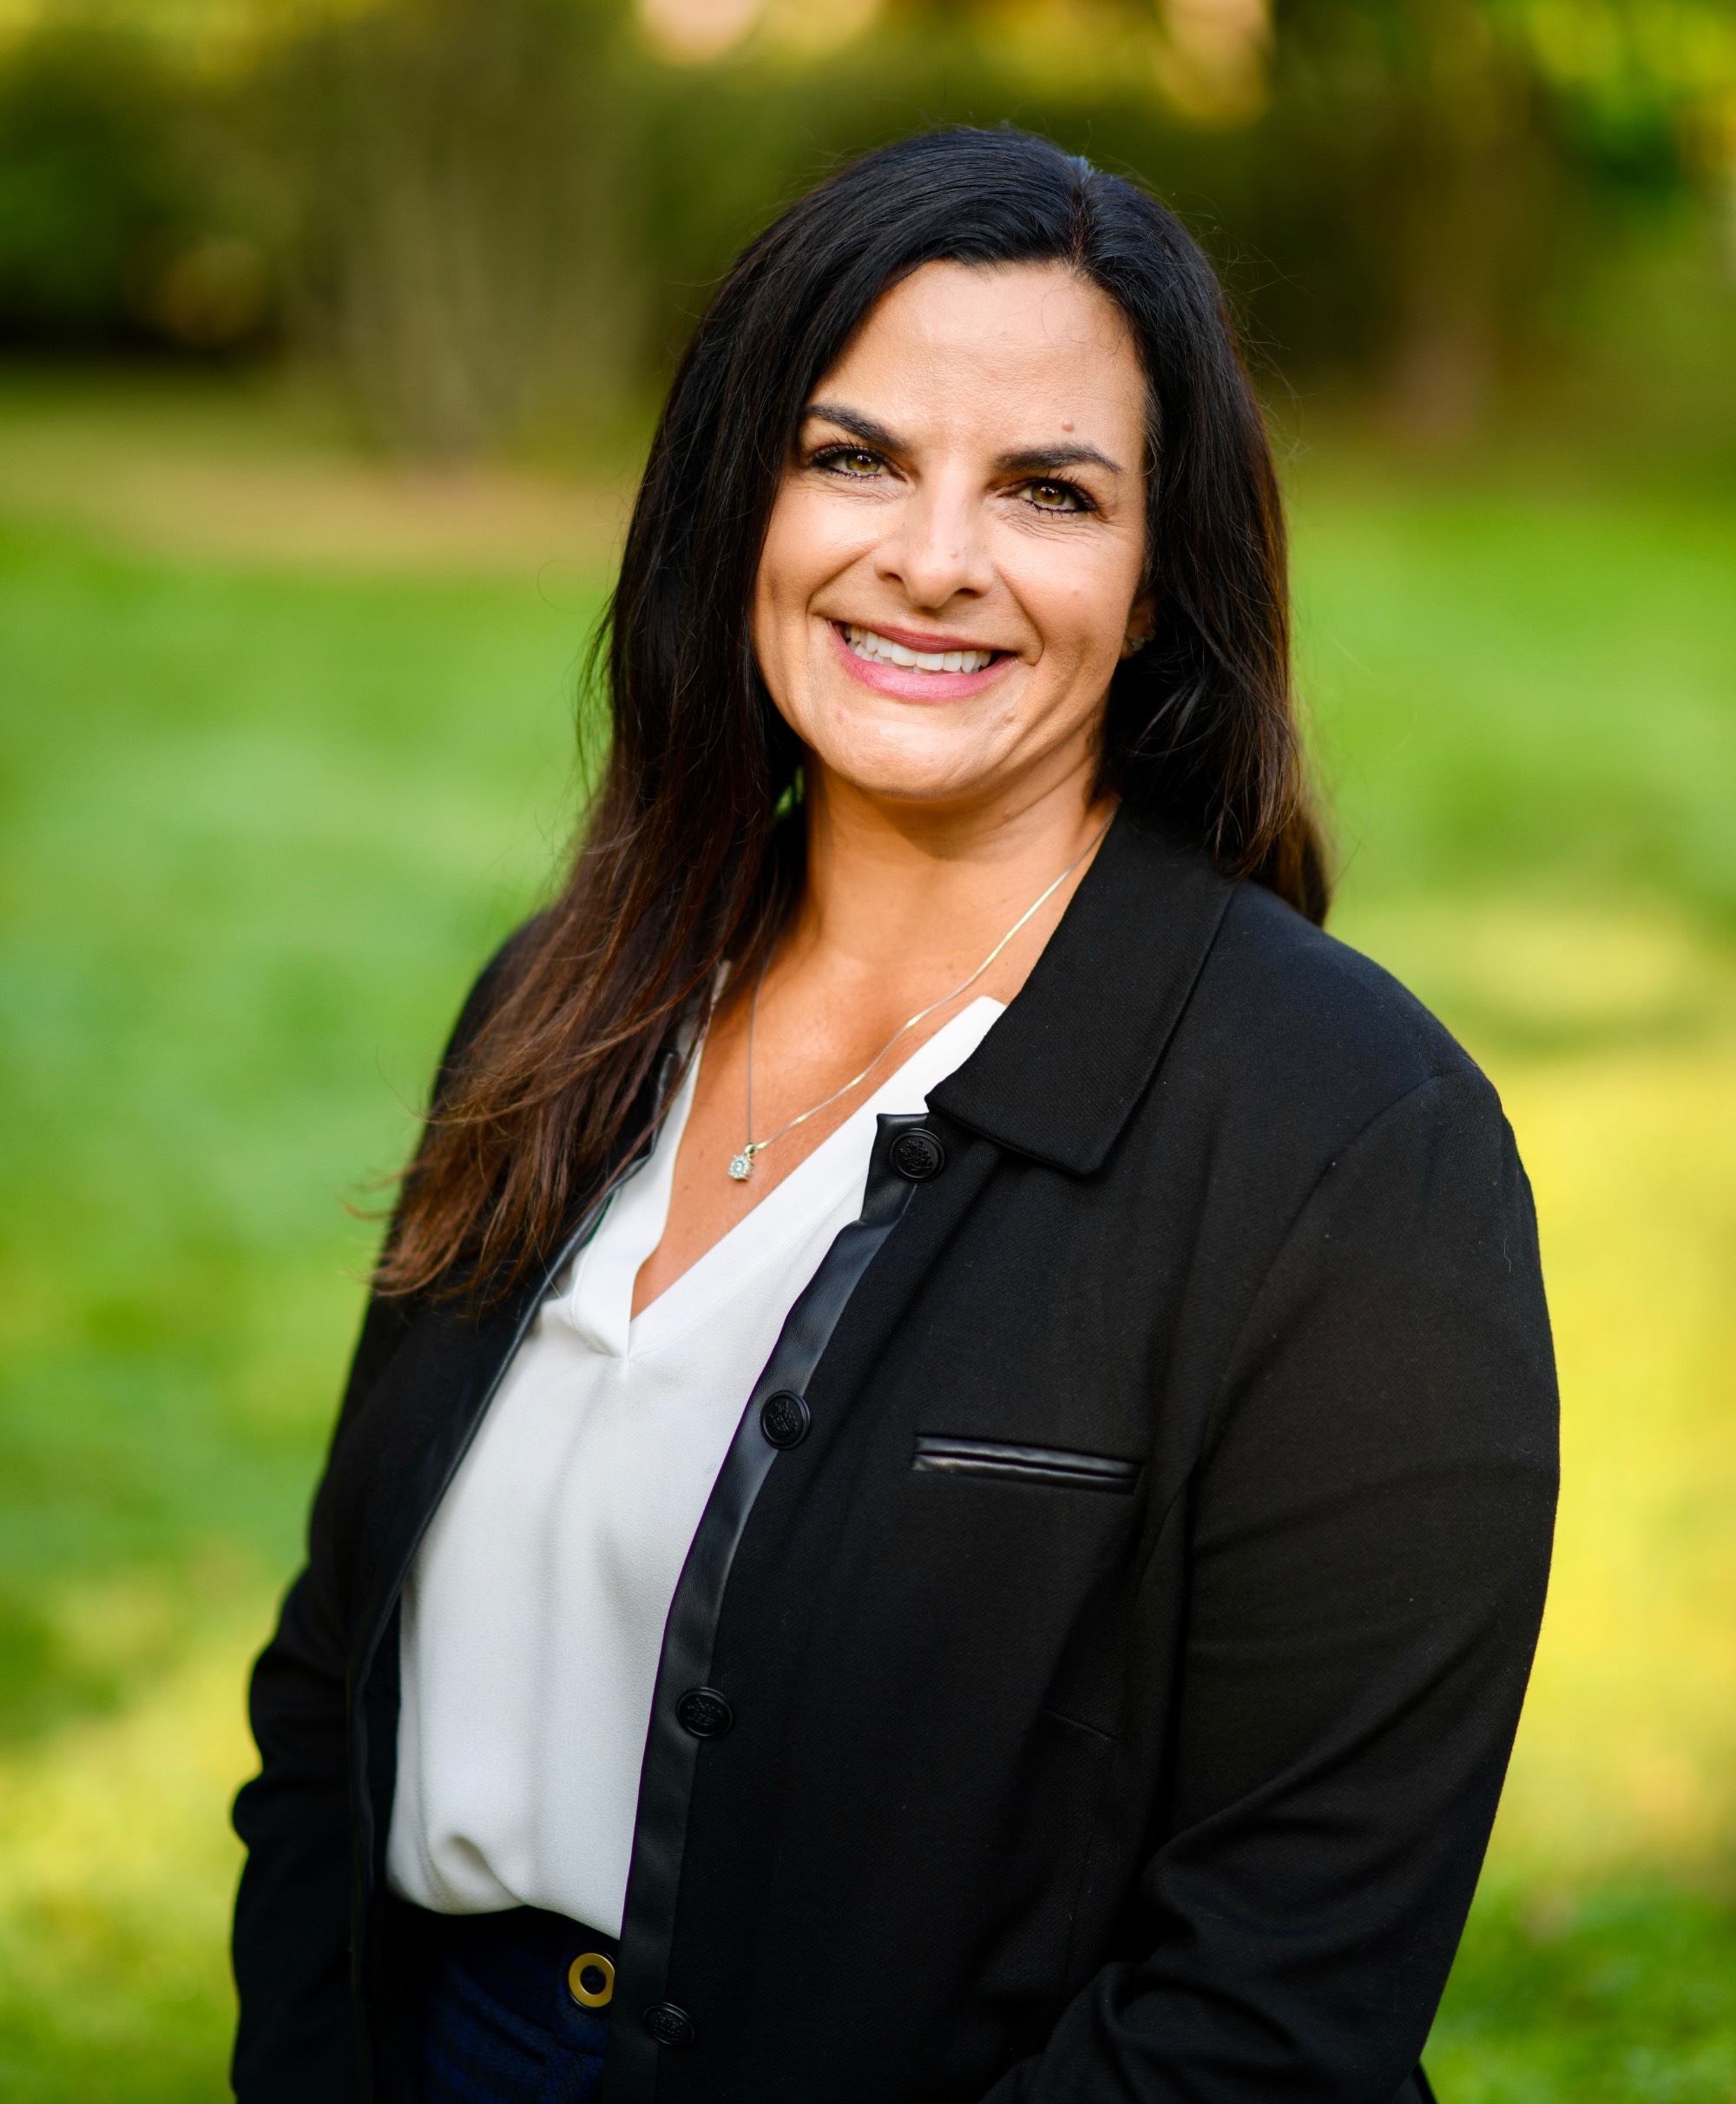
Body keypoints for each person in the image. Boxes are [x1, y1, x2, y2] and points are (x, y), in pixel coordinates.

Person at [231, 127, 1557, 2104]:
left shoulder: (1353, 1143)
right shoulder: (569, 997)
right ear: (733, 501)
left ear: (1158, 575)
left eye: (1046, 490)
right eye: (852, 457)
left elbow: (1274, 1997)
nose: (930, 557)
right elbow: (339, 1678)